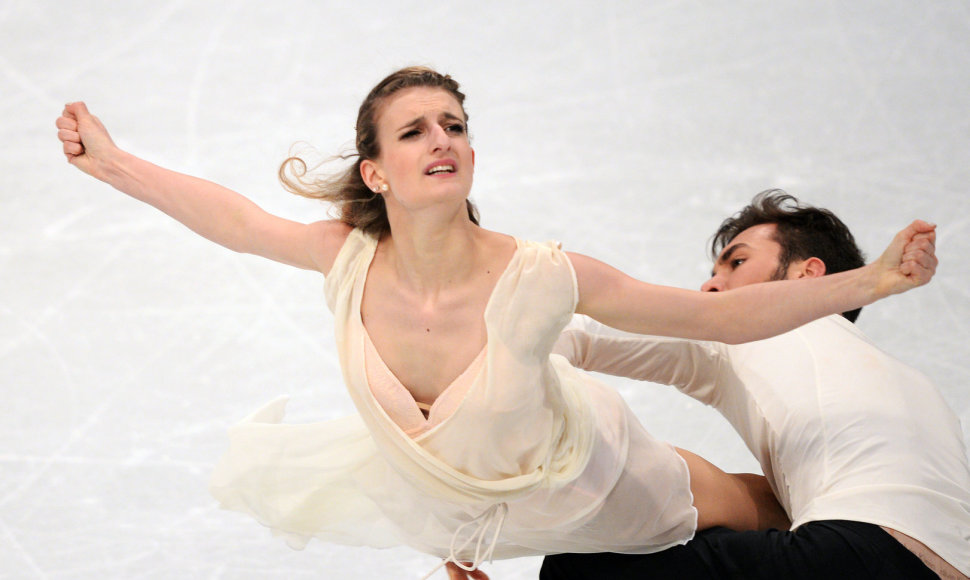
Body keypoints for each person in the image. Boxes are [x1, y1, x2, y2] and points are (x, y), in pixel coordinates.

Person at [56, 68, 936, 579]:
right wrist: (115, 165)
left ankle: (822, 519)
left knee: (732, 504)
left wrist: (878, 279)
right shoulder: (346, 258)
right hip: (471, 485)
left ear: (470, 153)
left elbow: (723, 323)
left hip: (589, 475)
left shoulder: (542, 275)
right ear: (376, 173)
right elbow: (237, 222)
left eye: (455, 124)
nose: (441, 138)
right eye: (414, 131)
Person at [541, 190, 970, 579]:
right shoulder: (913, 382)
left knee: (578, 565)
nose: (710, 285)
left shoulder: (739, 329)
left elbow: (567, 333)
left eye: (737, 262)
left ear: (809, 273)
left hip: (850, 551)